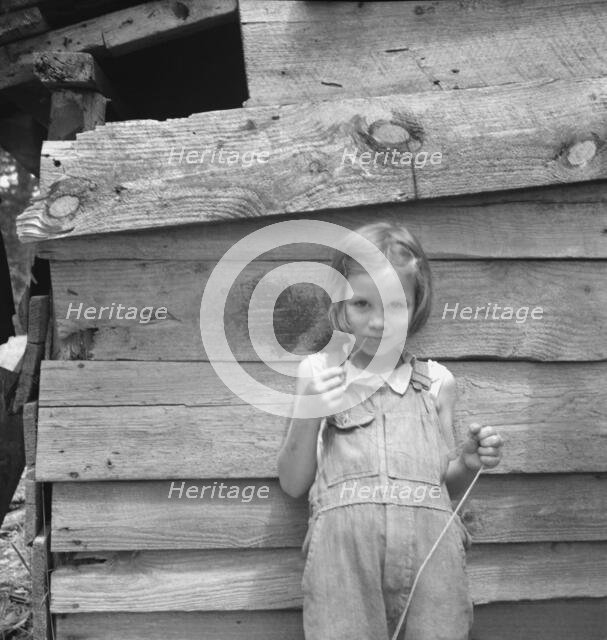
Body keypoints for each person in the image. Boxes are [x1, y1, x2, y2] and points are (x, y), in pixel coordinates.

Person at [277, 221, 504, 640]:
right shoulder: (320, 375)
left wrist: (469, 463)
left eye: (396, 305)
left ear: (417, 305)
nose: (378, 321)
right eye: (362, 304)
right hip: (343, 566)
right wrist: (310, 408)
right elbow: (293, 484)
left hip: (432, 566)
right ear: (341, 308)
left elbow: (444, 487)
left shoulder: (437, 382)